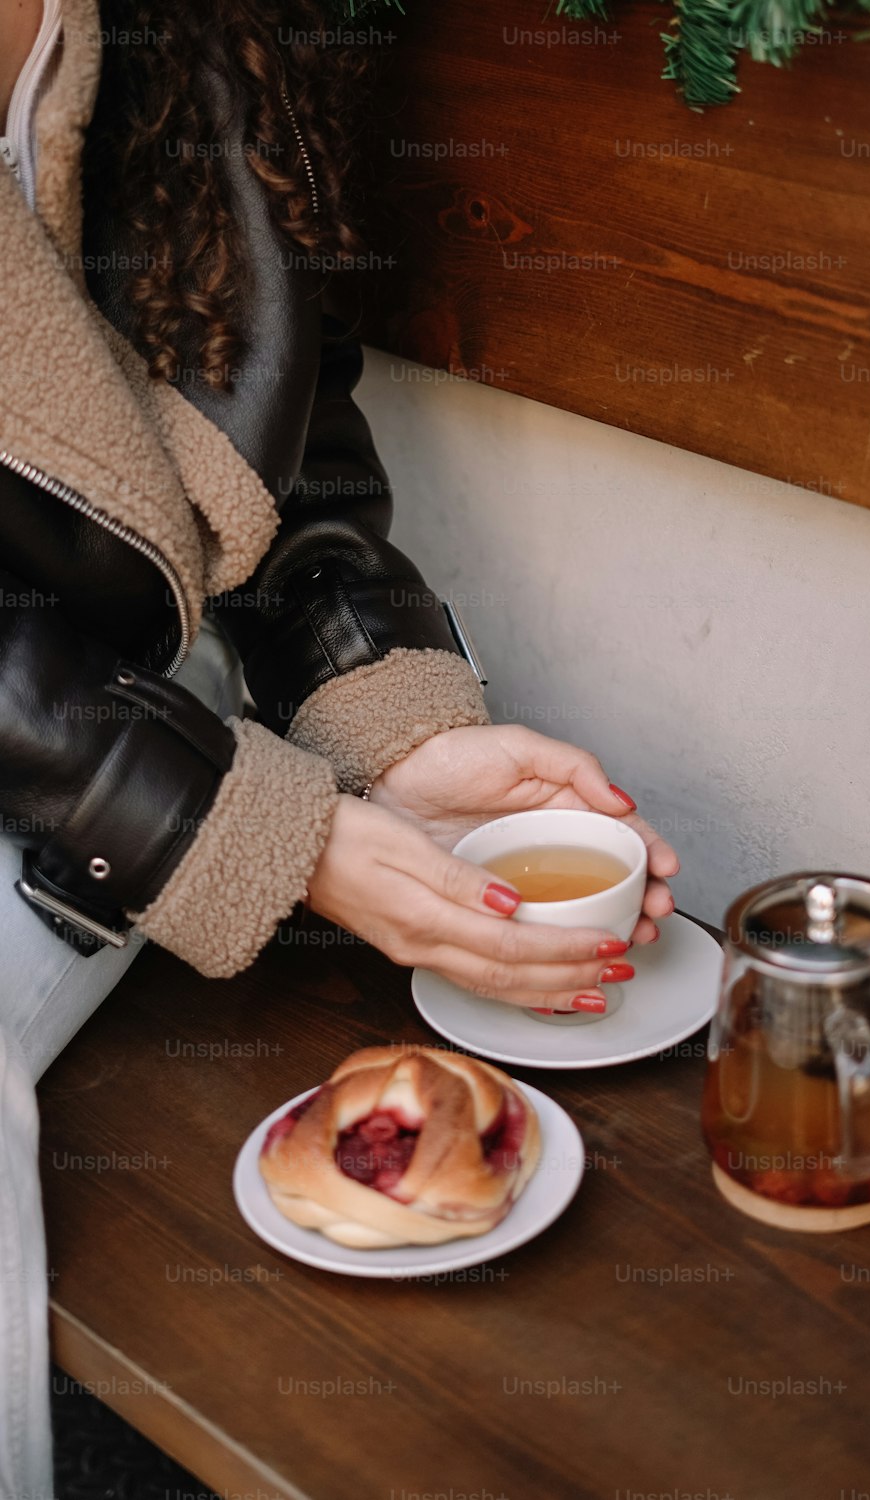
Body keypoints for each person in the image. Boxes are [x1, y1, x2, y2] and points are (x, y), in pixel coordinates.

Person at [0, 0, 679, 1489]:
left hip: (107, 751)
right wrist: (255, 831)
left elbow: (269, 440)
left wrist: (389, 728)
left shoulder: (215, 24)